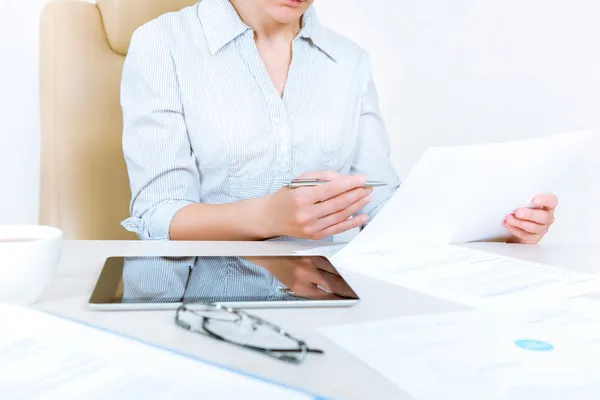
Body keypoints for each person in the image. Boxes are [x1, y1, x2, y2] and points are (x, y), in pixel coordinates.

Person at [120, 0, 557, 295]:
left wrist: (497, 229)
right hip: (198, 303)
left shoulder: (350, 61)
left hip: (322, 302)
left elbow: (380, 200)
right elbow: (156, 213)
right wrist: (268, 215)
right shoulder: (163, 43)